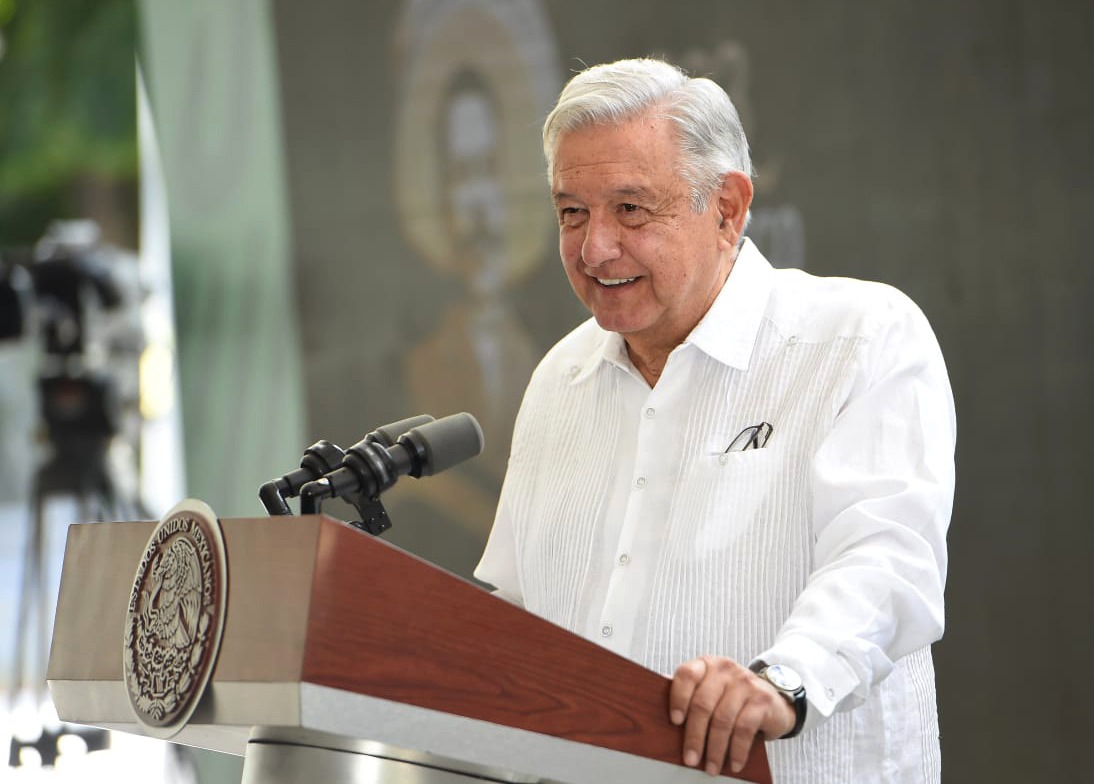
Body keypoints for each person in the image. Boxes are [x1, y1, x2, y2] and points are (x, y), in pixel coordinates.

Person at [474, 57, 955, 783]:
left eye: (631, 210)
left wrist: (781, 682)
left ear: (727, 209)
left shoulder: (857, 338)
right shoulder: (558, 379)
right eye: (572, 212)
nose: (593, 248)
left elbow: (887, 562)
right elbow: (513, 618)